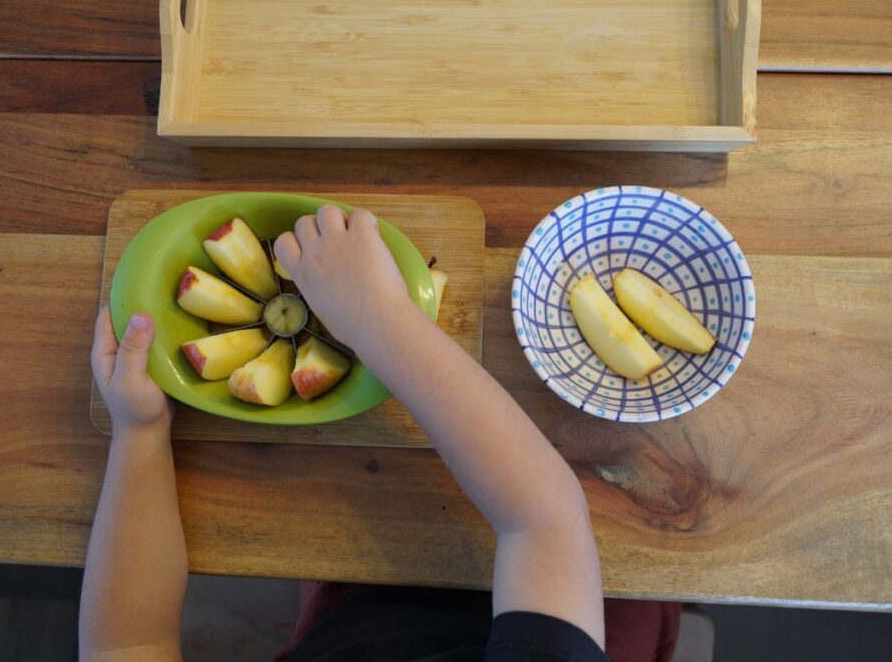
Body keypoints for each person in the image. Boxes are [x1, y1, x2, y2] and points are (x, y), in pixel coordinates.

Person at [82, 204, 680, 661]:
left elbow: (126, 647)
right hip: (576, 597)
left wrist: (138, 434)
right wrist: (380, 318)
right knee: (647, 592)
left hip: (356, 615)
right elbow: (547, 521)